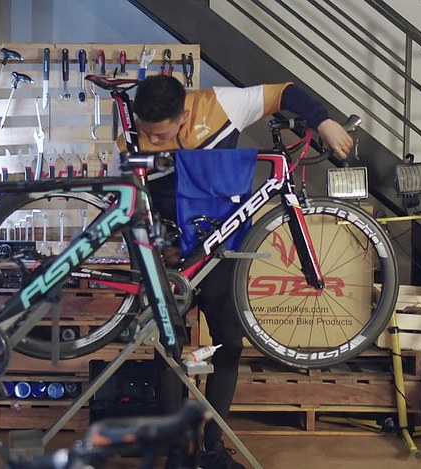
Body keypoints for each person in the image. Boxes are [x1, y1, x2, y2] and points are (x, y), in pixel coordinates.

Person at [122, 75, 353, 469]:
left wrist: (325, 122)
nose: (153, 140)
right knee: (169, 352)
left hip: (219, 252)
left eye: (160, 134)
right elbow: (131, 207)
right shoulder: (130, 135)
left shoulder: (221, 105)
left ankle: (213, 449)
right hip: (171, 257)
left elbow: (283, 92)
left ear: (184, 115)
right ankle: (178, 454)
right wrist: (154, 248)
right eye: (147, 133)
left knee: (229, 344)